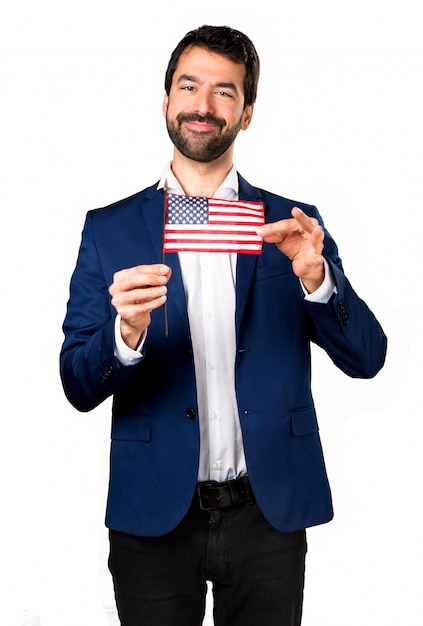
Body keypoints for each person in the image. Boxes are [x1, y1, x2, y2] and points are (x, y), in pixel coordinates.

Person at [60, 25, 387, 626]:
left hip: (267, 512)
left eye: (224, 91)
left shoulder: (293, 226)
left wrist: (318, 281)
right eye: (189, 86)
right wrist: (123, 334)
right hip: (153, 513)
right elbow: (78, 385)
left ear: (248, 112)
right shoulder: (108, 230)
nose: (203, 106)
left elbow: (367, 357)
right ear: (166, 101)